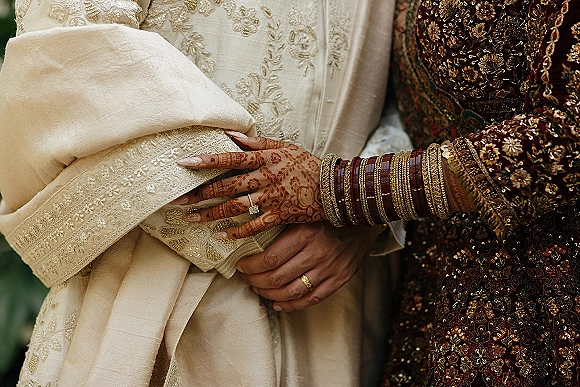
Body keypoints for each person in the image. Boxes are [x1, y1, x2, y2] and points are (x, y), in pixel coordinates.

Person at [0, 0, 409, 386]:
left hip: (334, 302)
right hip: (157, 288)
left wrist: (358, 208)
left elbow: (416, 94)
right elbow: (66, 54)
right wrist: (275, 230)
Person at [176, 0, 580, 384]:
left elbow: (570, 134)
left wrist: (341, 192)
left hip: (546, 291)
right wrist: (362, 219)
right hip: (431, 282)